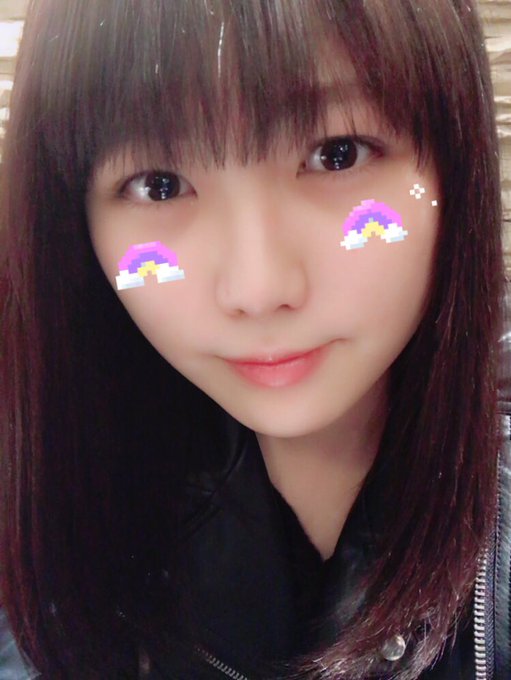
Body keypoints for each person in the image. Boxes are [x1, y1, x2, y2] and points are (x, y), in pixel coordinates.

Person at [0, 0, 509, 678]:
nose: (258, 288)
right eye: (159, 185)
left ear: (456, 159)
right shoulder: (47, 525)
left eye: (336, 153)